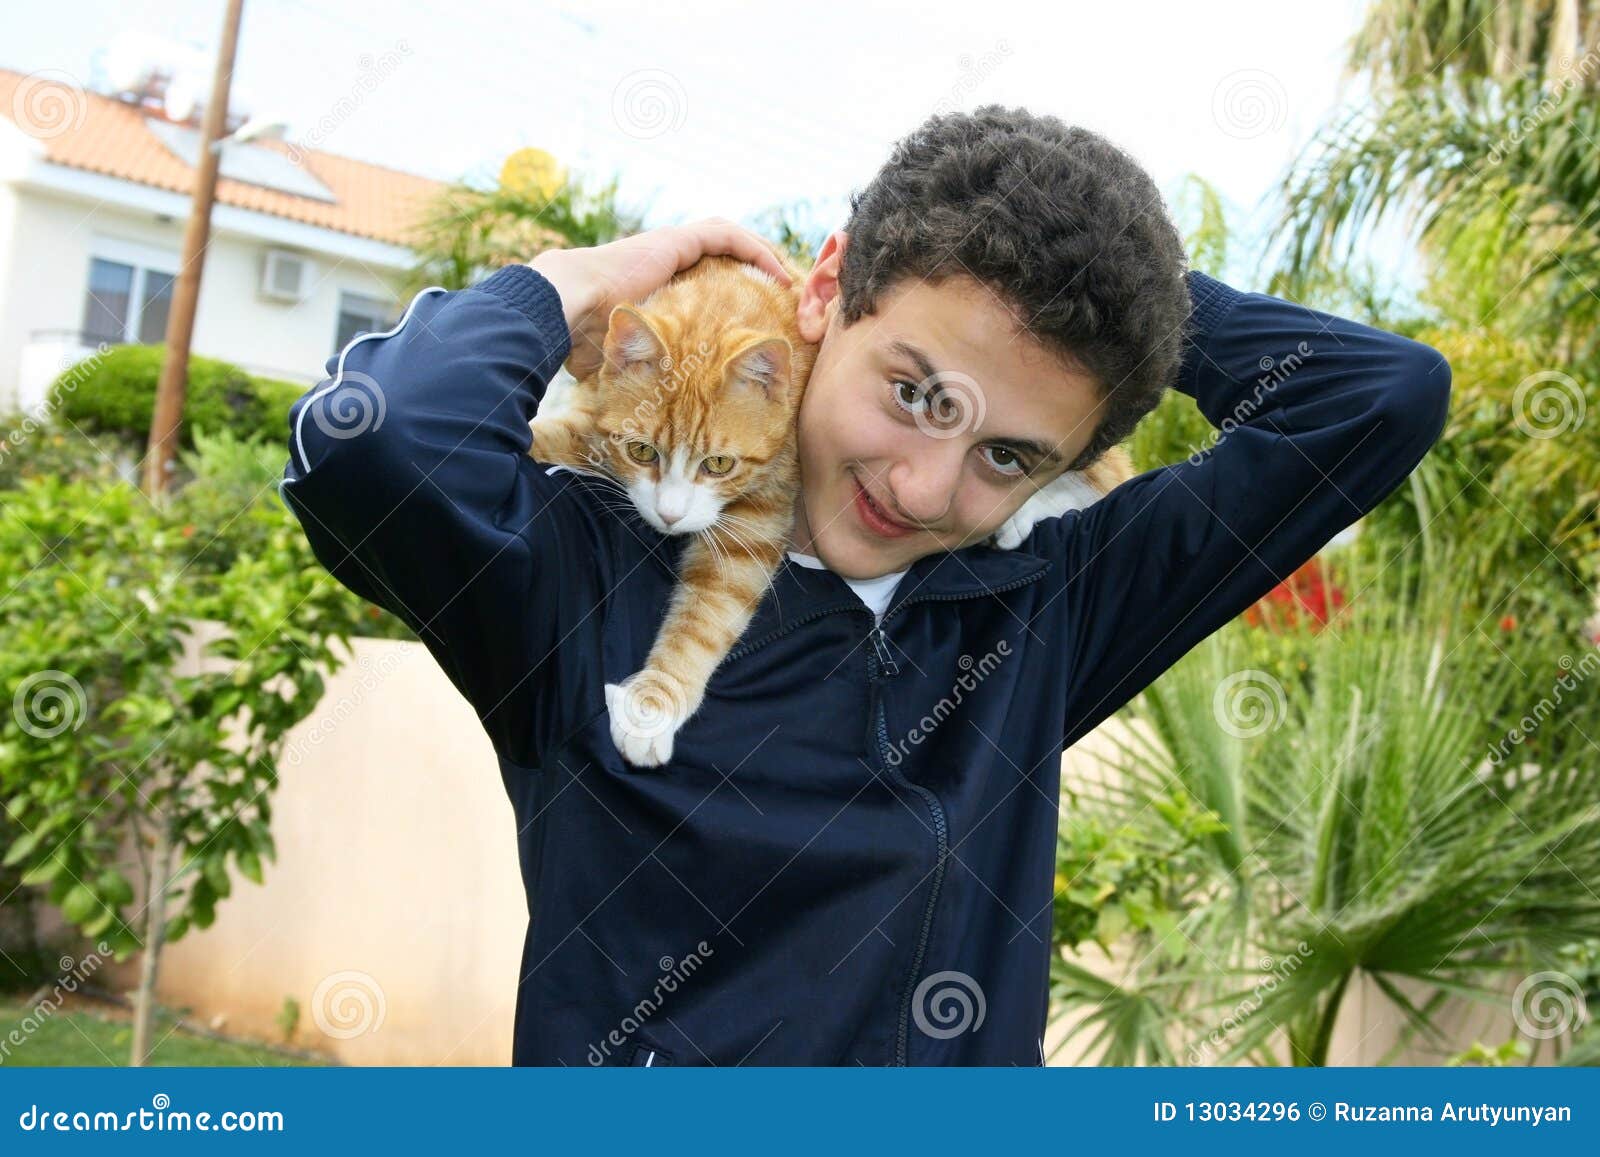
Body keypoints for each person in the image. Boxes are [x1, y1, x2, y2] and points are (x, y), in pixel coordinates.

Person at [279, 107, 1450, 1066]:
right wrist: (591, 280)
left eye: (1011, 454)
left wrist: (1108, 303)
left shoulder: (1046, 607)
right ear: (824, 287)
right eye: (916, 392)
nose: (927, 486)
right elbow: (371, 440)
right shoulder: (585, 576)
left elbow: (1378, 397)